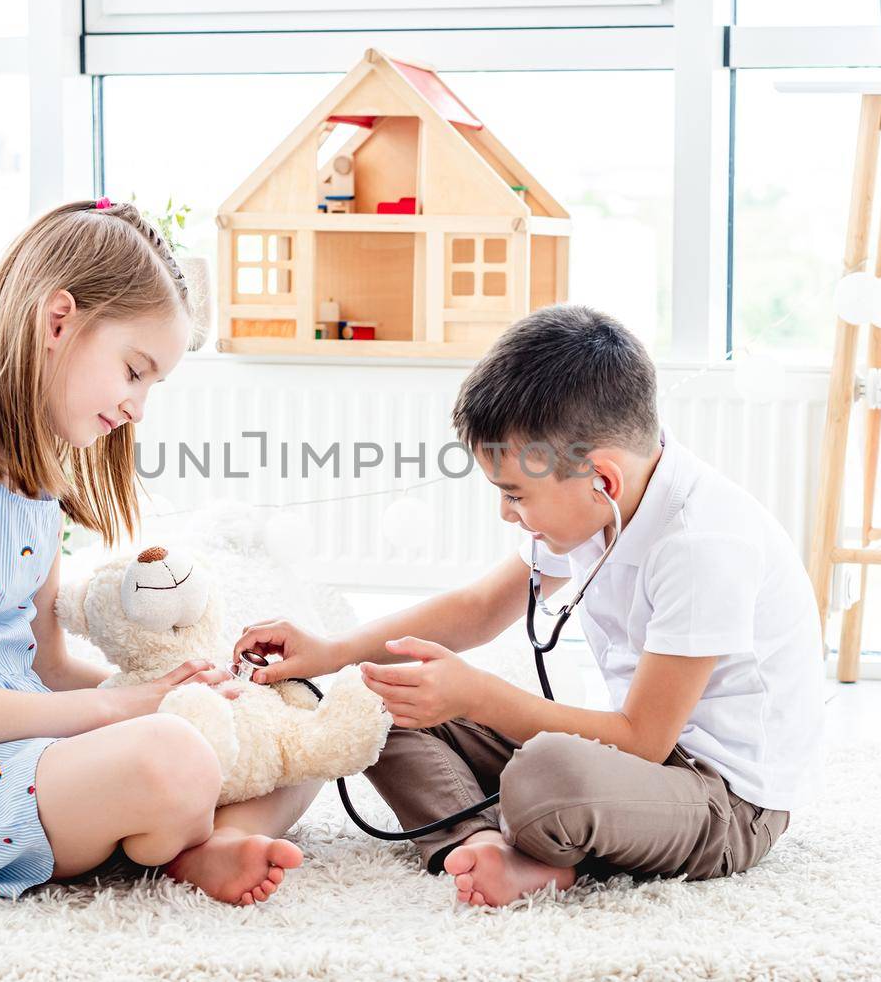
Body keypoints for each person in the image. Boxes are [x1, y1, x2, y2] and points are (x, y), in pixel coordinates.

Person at [0, 199, 313, 904]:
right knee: (173, 756)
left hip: (16, 752)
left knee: (294, 719)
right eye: (134, 372)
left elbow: (43, 665)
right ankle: (180, 832)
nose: (138, 408)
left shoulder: (34, 480)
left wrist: (176, 689)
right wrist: (130, 709)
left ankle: (206, 839)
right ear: (57, 321)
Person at [234, 304, 824, 907]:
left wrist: (479, 697)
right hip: (631, 769)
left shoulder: (701, 545)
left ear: (603, 481)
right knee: (377, 703)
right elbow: (481, 607)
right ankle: (478, 845)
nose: (507, 514)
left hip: (724, 800)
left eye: (515, 495)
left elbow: (643, 740)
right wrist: (333, 651)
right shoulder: (600, 505)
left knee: (547, 778)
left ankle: (534, 848)